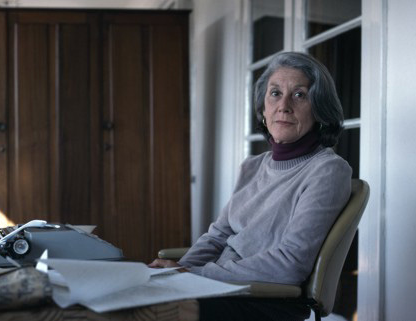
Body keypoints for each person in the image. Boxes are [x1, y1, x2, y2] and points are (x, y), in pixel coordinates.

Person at [149, 52, 352, 321]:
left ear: (320, 108)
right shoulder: (252, 166)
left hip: (263, 299)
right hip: (215, 287)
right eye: (275, 93)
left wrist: (194, 275)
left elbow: (290, 264)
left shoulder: (327, 170)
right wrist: (175, 272)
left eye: (300, 95)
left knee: (144, 312)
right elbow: (217, 236)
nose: (284, 106)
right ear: (263, 109)